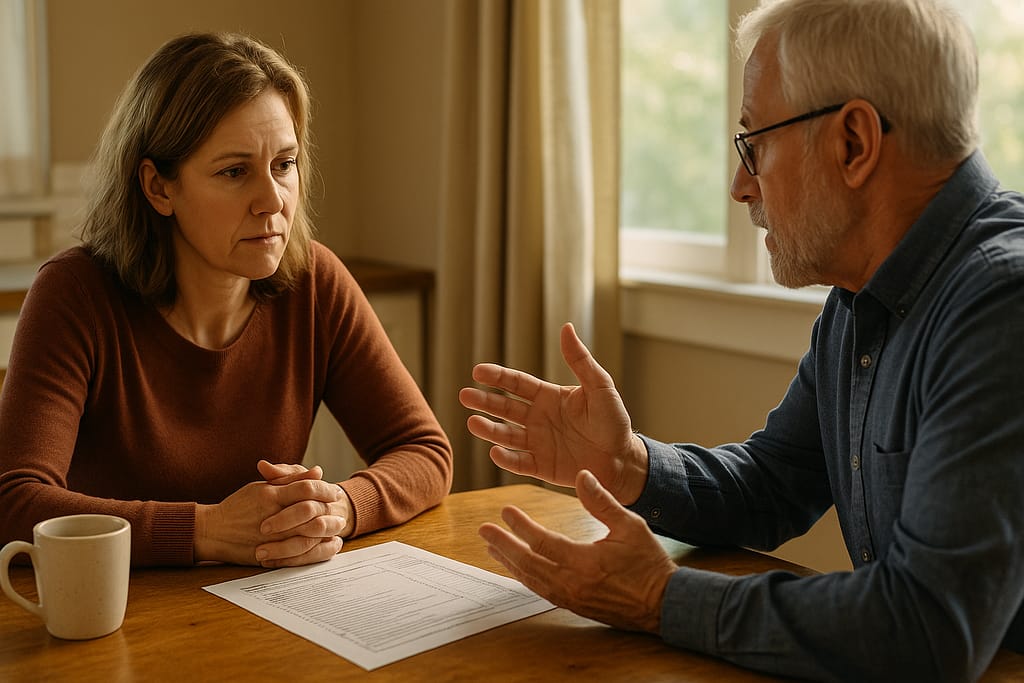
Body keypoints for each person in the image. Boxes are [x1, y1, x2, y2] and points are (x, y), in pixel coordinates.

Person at [459, 0, 1024, 681]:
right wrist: (629, 463)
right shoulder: (860, 296)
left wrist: (657, 597)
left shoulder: (1002, 305)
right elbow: (774, 482)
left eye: (754, 143)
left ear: (853, 143)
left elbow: (927, 628)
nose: (738, 185)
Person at [0, 32, 452, 569]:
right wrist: (206, 530)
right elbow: (14, 502)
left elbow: (425, 451)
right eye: (234, 172)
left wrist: (339, 508)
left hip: (260, 610)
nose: (272, 201)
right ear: (158, 188)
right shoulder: (74, 294)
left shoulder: (315, 281)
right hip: (111, 618)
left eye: (284, 164)